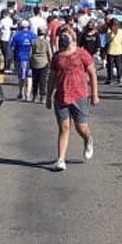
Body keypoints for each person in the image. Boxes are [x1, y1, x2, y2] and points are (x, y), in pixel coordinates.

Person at [47, 28, 100, 171]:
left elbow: (92, 74)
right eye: (61, 36)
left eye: (65, 36)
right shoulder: (57, 56)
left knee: (80, 127)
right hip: (61, 96)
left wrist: (94, 94)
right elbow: (52, 77)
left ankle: (88, 139)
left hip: (79, 95)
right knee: (64, 128)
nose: (63, 38)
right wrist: (48, 96)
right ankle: (60, 159)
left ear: (72, 37)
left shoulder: (82, 54)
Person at [10, 20, 36, 100]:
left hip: (20, 58)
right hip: (31, 58)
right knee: (29, 76)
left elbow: (12, 47)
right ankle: (27, 94)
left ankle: (21, 93)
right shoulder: (33, 35)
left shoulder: (17, 36)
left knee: (21, 77)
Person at [30, 28, 51, 103]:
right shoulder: (46, 42)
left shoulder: (34, 41)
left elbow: (30, 52)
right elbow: (49, 52)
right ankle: (42, 96)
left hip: (35, 61)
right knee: (43, 80)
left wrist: (30, 61)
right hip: (44, 61)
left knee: (35, 80)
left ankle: (34, 96)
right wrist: (50, 61)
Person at [104, 19, 122, 85]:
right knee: (118, 65)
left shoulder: (109, 31)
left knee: (110, 66)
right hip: (118, 50)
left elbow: (108, 40)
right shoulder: (121, 31)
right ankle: (119, 78)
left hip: (111, 50)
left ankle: (110, 79)